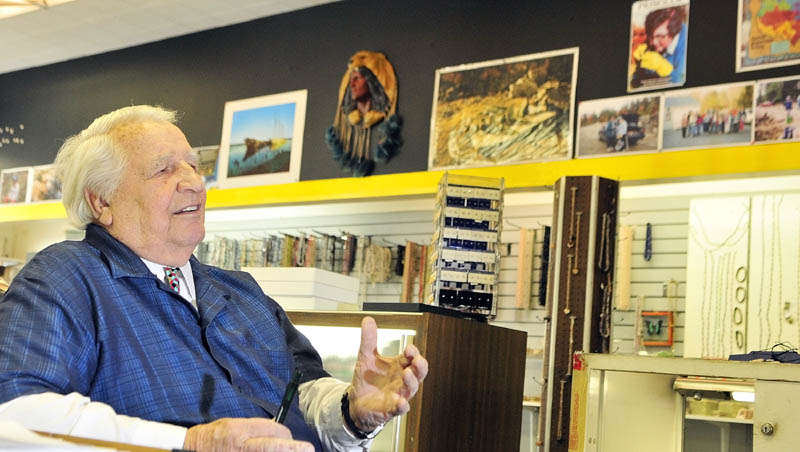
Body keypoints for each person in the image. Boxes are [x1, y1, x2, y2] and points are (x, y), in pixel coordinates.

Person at [0, 105, 428, 452]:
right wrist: (190, 443)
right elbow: (15, 414)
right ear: (102, 200)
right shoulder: (65, 277)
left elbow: (301, 393)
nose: (195, 184)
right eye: (165, 170)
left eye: (193, 165)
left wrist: (354, 410)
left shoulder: (239, 290)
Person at [630, 6, 687, 88]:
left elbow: (683, 81)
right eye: (651, 36)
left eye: (660, 36)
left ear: (674, 32)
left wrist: (664, 69)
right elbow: (635, 83)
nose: (653, 42)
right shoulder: (652, 42)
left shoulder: (684, 45)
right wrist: (640, 65)